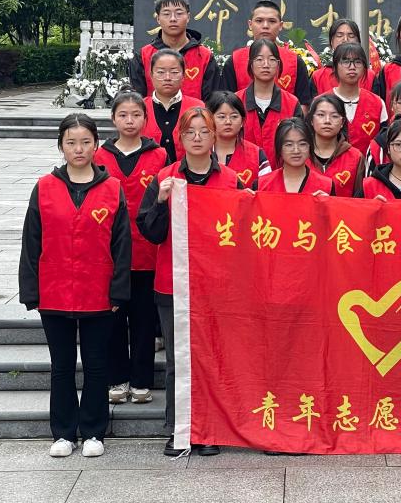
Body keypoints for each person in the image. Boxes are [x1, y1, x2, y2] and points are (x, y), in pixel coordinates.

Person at [19, 113, 131, 459]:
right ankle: (64, 433)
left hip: (98, 292)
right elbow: (31, 242)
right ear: (61, 146)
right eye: (71, 142)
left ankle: (94, 431)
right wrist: (30, 290)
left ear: (96, 145)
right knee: (62, 366)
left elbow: (122, 244)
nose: (78, 149)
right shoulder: (44, 187)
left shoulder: (112, 188)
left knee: (97, 365)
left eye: (85, 142)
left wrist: (119, 291)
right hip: (54, 291)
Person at [137, 107, 242, 457]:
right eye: (190, 132)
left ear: (214, 137)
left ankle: (210, 429)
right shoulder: (164, 178)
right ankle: (178, 430)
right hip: (173, 286)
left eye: (204, 131)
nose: (197, 138)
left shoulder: (231, 181)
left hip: (217, 287)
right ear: (180, 138)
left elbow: (246, 231)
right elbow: (150, 232)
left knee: (212, 358)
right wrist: (161, 202)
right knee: (178, 360)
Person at [93, 92, 168, 409]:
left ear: (146, 119)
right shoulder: (100, 156)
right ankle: (117, 379)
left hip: (148, 252)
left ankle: (140, 381)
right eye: (123, 115)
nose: (129, 121)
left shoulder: (159, 155)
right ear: (113, 119)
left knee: (143, 320)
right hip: (110, 254)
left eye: (136, 115)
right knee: (113, 320)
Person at [221, 0, 314, 106]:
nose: (265, 26)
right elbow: (225, 104)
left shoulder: (295, 62)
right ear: (250, 24)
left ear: (281, 25)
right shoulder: (234, 61)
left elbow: (304, 105)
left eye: (272, 21)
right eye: (259, 21)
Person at [129, 0, 218, 101]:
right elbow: (138, 101)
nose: (173, 19)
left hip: (195, 112)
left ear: (188, 17)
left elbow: (213, 102)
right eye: (166, 14)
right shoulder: (143, 56)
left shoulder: (205, 56)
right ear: (158, 19)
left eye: (179, 13)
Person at [236, 38, 304, 166]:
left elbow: (300, 141)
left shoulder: (291, 103)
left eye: (272, 60)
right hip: (244, 172)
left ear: (278, 65)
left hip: (283, 173)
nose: (266, 64)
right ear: (251, 64)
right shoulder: (237, 101)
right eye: (259, 59)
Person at [143, 49, 207, 164]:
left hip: (188, 171)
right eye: (161, 72)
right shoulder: (140, 108)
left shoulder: (197, 106)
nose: (167, 77)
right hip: (147, 172)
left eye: (174, 72)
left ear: (183, 75)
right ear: (151, 75)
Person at [324, 42, 387, 155]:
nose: (352, 67)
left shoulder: (377, 103)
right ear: (335, 66)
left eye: (358, 62)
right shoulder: (322, 103)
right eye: (346, 61)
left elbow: (384, 142)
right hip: (331, 165)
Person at [206, 90, 271, 188]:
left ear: (242, 121)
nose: (228, 122)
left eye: (234, 116)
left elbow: (266, 190)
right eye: (221, 117)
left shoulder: (257, 155)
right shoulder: (201, 152)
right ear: (210, 120)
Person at [306, 94, 365, 197]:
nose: (327, 121)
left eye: (334, 116)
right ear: (311, 120)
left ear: (342, 122)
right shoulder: (301, 154)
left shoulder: (356, 157)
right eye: (321, 115)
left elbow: (360, 201)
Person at [258, 118, 335, 194]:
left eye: (302, 144)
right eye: (289, 145)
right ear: (279, 148)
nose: (296, 151)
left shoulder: (326, 186)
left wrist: (327, 201)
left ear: (310, 146)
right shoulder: (261, 185)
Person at [311, 19, 375, 93]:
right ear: (331, 42)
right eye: (339, 35)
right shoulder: (318, 76)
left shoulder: (369, 76)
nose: (345, 39)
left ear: (358, 41)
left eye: (351, 36)